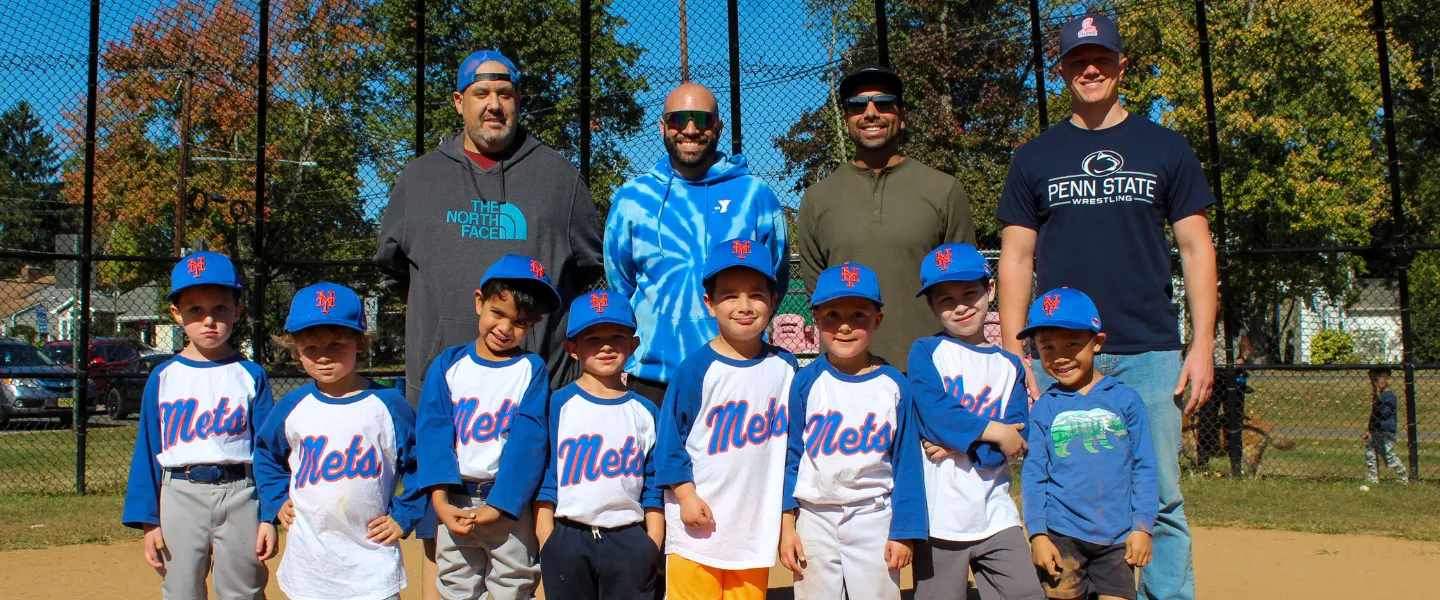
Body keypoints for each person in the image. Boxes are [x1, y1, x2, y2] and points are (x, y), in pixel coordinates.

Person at [995, 14, 1217, 600]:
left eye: (1100, 58)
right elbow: (1016, 259)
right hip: (1058, 355)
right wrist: (1018, 353)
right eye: (1076, 60)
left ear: (1122, 66)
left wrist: (1200, 345)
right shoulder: (1035, 156)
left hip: (1149, 351)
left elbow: (1196, 247)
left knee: (1160, 497)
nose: (1089, 69)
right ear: (1062, 70)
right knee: (1064, 492)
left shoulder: (1164, 146)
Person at [604, 83, 789, 404]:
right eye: (678, 120)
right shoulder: (633, 199)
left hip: (738, 371)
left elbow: (775, 281)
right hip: (653, 380)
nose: (690, 130)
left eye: (701, 120)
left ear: (717, 126)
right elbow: (620, 283)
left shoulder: (754, 197)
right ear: (662, 126)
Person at [796, 64, 977, 372]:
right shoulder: (816, 200)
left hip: (932, 373)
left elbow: (965, 288)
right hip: (848, 374)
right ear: (847, 120)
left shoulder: (944, 190)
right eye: (857, 105)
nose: (870, 113)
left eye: (883, 103)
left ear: (901, 116)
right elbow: (819, 294)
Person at [255, 282, 426, 600]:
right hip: (311, 565)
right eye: (311, 348)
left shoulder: (388, 404)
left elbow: (422, 463)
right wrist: (276, 498)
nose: (324, 357)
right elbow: (266, 454)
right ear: (296, 350)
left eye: (336, 344)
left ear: (359, 343)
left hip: (372, 563)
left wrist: (404, 515)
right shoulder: (292, 407)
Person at [121, 251, 275, 600]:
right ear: (176, 314)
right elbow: (147, 449)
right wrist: (149, 521)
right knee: (181, 589)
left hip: (241, 492)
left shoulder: (250, 375)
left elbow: (267, 453)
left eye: (220, 308)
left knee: (244, 589)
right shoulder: (163, 377)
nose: (209, 320)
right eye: (195, 310)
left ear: (237, 310)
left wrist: (269, 514)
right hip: (178, 492)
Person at [654, 238, 797, 600]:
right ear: (710, 303)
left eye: (756, 294)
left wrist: (786, 520)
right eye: (730, 295)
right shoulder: (696, 369)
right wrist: (685, 495)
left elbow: (795, 450)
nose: (744, 306)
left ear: (774, 300)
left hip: (753, 532)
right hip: (696, 531)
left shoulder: (786, 368)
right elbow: (669, 445)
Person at [414, 254, 561, 600]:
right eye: (498, 312)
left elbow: (530, 442)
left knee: (515, 584)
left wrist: (499, 505)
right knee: (456, 585)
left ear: (534, 323)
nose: (505, 329)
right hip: (456, 500)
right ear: (480, 302)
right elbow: (433, 434)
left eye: (520, 321)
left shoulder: (531, 368)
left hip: (508, 506)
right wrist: (439, 501)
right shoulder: (449, 364)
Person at [777, 263, 926, 599]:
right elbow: (792, 458)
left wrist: (904, 531)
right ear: (814, 319)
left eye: (859, 314)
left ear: (878, 319)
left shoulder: (894, 385)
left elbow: (907, 465)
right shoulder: (806, 382)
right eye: (832, 315)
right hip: (814, 515)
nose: (844, 326)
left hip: (873, 514)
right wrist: (787, 525)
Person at [905, 243, 1044, 600]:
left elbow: (1017, 434)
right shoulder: (926, 351)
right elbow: (932, 411)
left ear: (991, 289)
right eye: (946, 299)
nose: (961, 306)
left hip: (996, 512)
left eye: (970, 292)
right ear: (932, 306)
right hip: (940, 517)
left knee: (1026, 593)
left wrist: (960, 442)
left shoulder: (1009, 364)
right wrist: (990, 430)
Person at [1018, 288, 1158, 600]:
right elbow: (1034, 475)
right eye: (1048, 347)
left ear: (1097, 342)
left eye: (1072, 343)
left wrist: (1142, 526)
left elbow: (1144, 467)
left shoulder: (1126, 400)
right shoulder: (1044, 408)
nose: (1061, 356)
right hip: (1061, 534)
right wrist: (1038, 533)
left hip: (1118, 535)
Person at [534, 290, 665, 598]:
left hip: (629, 538)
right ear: (572, 348)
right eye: (592, 338)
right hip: (568, 536)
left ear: (633, 345)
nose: (606, 346)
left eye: (617, 336)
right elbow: (546, 476)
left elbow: (654, 484)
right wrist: (547, 540)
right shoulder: (558, 404)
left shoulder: (645, 411)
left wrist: (652, 540)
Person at [1364, 368, 1409, 485]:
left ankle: (1403, 473)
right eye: (1373, 381)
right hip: (1375, 430)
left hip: (1386, 431)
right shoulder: (1381, 396)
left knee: (1387, 454)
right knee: (1370, 453)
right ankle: (1373, 476)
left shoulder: (1389, 396)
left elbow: (1384, 413)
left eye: (1378, 381)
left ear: (1387, 380)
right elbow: (1374, 416)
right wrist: (1369, 430)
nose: (1375, 384)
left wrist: (1377, 400)